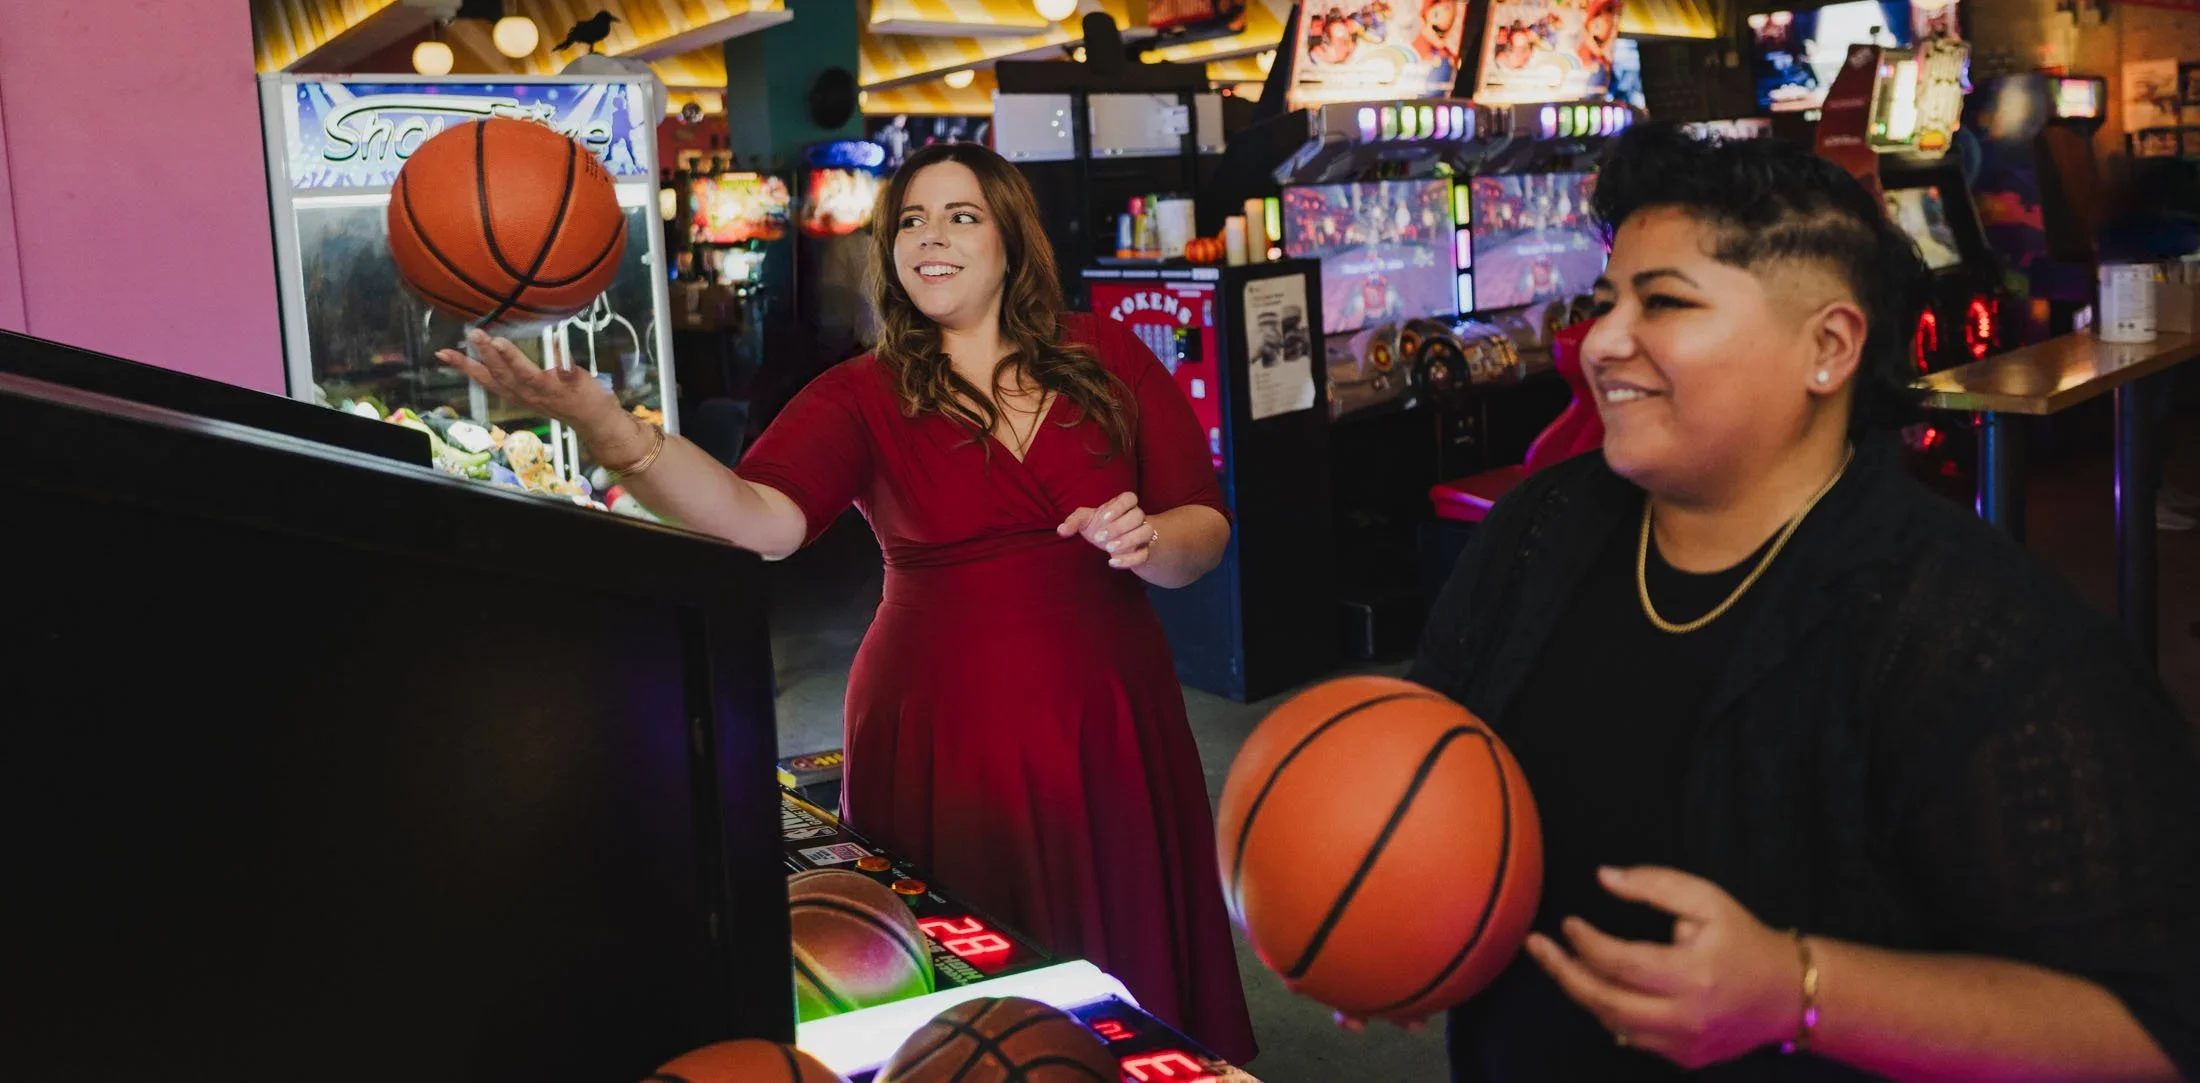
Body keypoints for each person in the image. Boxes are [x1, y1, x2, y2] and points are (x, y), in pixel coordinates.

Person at [1407, 125, 2200, 1081]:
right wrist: (1392, 912)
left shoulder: (1975, 629)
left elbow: (2153, 1033)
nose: (1602, 342)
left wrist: (1799, 991)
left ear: (1828, 346)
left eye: (1663, 301)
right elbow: (1427, 765)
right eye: (1606, 299)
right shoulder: (1541, 527)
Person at [439, 143, 1257, 1061]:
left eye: (960, 215)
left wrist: (1149, 540)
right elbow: (762, 520)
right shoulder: (863, 391)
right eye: (909, 220)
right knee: (972, 1007)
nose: (929, 237)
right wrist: (614, 434)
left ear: (1011, 241)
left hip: (1109, 715)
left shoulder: (1106, 352)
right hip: (942, 729)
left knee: (1126, 975)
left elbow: (1204, 529)